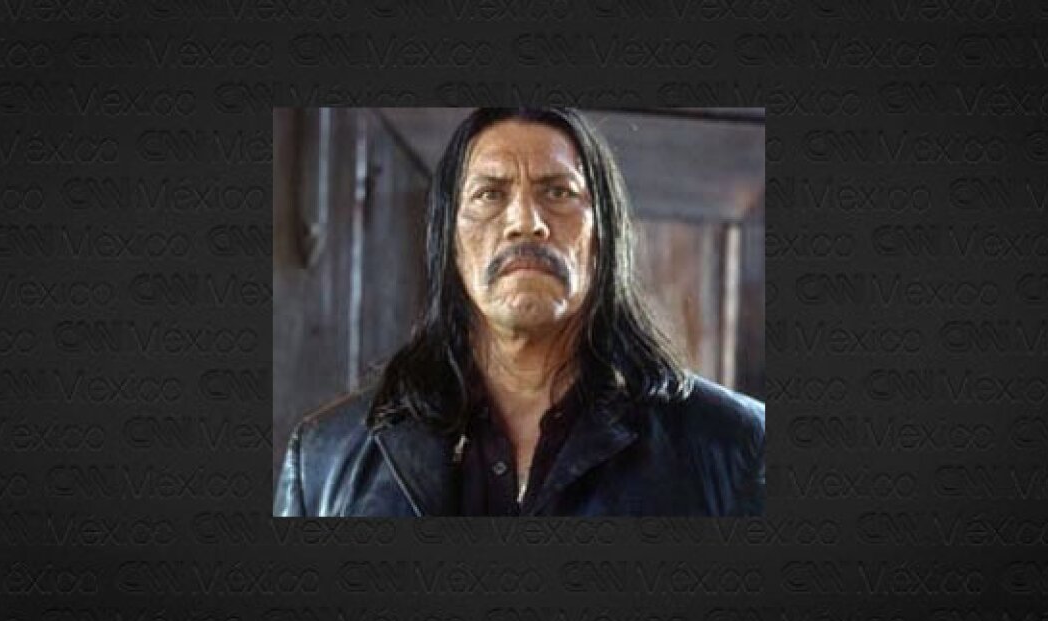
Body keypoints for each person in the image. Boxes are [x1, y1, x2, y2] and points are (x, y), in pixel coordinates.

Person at [274, 107, 765, 516]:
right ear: (450, 242)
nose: (526, 222)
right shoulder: (324, 462)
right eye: (489, 194)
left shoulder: (736, 448)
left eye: (558, 192)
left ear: (605, 237)